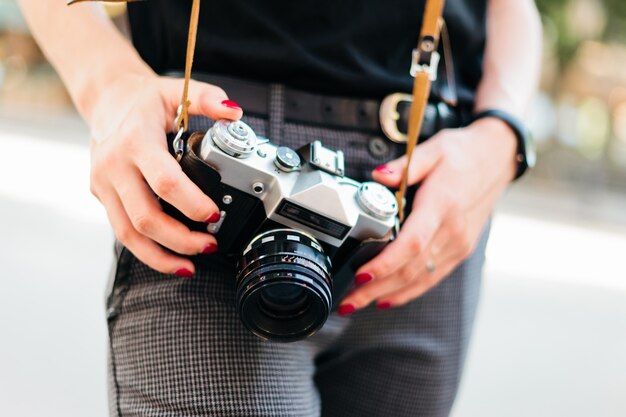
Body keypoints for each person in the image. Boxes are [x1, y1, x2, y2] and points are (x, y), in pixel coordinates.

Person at [18, 0, 542, 416]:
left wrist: (502, 137)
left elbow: (514, 7)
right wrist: (109, 84)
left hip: (424, 203)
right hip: (215, 167)